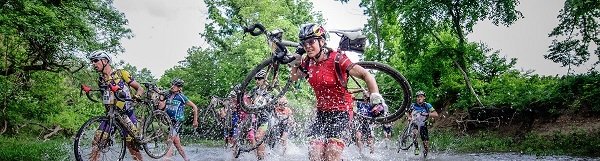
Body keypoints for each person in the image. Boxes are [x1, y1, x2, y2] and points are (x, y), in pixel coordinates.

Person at [290, 23, 385, 161]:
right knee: (315, 155)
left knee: (331, 155)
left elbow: (366, 75)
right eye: (304, 43)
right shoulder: (307, 62)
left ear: (321, 41)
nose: (308, 46)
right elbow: (294, 77)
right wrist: (296, 62)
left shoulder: (337, 58)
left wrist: (376, 99)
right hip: (321, 113)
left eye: (311, 41)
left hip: (342, 112)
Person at [88, 52, 145, 161]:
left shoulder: (121, 73)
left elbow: (140, 88)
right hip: (111, 115)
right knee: (96, 142)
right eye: (92, 61)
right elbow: (106, 99)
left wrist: (137, 97)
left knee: (132, 147)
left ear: (105, 61)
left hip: (126, 114)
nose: (93, 64)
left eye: (95, 60)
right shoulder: (101, 80)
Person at [158, 78, 199, 161]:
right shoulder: (168, 95)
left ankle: (166, 159)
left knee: (170, 139)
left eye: (175, 85)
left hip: (178, 121)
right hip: (170, 122)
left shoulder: (181, 97)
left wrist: (195, 120)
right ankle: (186, 159)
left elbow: (194, 107)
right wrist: (161, 97)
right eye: (172, 84)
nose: (173, 86)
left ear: (179, 88)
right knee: (177, 144)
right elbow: (161, 107)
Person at [406, 90, 438, 156]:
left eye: (421, 96)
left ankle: (425, 155)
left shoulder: (427, 105)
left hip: (423, 125)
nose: (419, 98)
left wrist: (427, 114)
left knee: (426, 146)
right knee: (414, 133)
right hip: (415, 123)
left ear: (424, 98)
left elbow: (436, 114)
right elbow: (407, 113)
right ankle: (416, 148)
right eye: (418, 97)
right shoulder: (413, 105)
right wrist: (409, 117)